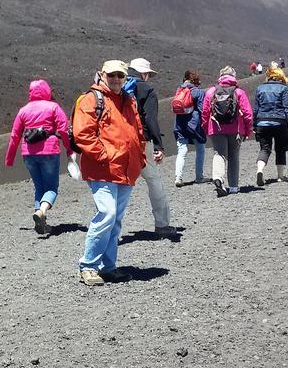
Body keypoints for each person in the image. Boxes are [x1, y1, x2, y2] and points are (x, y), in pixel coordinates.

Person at [73, 60, 146, 286]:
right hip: (103, 168)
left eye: (120, 76)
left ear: (125, 78)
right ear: (102, 74)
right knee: (107, 213)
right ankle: (88, 266)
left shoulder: (128, 100)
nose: (116, 79)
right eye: (112, 75)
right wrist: (106, 156)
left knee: (115, 220)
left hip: (126, 168)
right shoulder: (92, 99)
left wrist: (140, 156)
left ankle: (108, 266)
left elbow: (137, 130)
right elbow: (82, 134)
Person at [5, 79, 71, 235]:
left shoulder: (23, 110)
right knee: (51, 188)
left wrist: (9, 158)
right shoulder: (53, 107)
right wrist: (70, 149)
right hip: (49, 151)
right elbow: (63, 129)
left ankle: (41, 219)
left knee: (39, 187)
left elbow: (15, 135)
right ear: (47, 91)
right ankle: (42, 211)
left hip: (28, 154)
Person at [125, 58, 175, 237]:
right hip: (142, 141)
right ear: (144, 74)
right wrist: (159, 146)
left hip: (118, 142)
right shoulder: (147, 89)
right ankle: (162, 224)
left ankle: (111, 230)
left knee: (120, 184)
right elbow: (150, 119)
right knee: (153, 180)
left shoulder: (115, 85)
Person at [201, 66, 253, 197]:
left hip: (216, 128)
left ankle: (218, 178)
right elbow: (248, 114)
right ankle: (234, 187)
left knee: (219, 154)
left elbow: (205, 112)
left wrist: (206, 128)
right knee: (233, 156)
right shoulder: (238, 92)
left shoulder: (211, 91)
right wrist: (247, 131)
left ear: (220, 76)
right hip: (236, 129)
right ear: (233, 76)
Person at [252, 66, 288, 186]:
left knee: (265, 149)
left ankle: (260, 170)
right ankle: (280, 176)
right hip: (279, 122)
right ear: (280, 77)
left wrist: (254, 125)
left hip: (262, 122)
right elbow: (287, 108)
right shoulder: (283, 89)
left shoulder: (260, 88)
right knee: (280, 149)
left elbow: (256, 109)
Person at [173, 70, 207, 186]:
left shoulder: (179, 90)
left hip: (179, 125)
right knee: (200, 149)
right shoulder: (198, 92)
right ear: (196, 81)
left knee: (181, 151)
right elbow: (203, 110)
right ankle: (199, 177)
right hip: (195, 125)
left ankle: (178, 177)